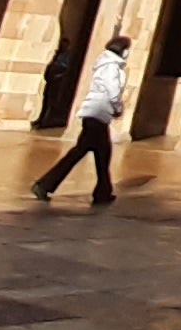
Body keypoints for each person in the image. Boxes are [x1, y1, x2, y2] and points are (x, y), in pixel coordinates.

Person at [32, 34, 130, 205]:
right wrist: (118, 108)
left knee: (100, 154)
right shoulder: (112, 67)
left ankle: (102, 191)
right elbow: (113, 91)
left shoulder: (105, 64)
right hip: (98, 114)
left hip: (95, 114)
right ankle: (45, 185)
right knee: (86, 153)